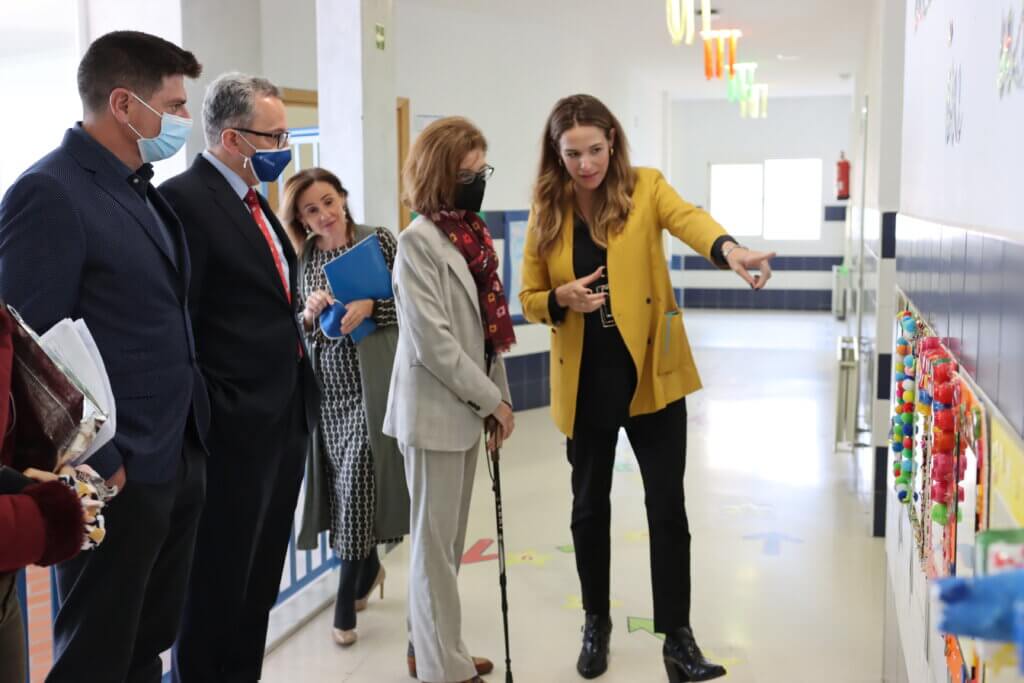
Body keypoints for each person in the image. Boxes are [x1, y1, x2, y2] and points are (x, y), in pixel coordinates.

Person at [519, 94, 775, 683]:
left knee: (667, 506)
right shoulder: (548, 208)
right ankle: (596, 621)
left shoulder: (644, 186)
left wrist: (729, 250)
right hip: (585, 380)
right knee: (589, 508)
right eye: (573, 154)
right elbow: (529, 296)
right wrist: (560, 299)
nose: (587, 165)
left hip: (651, 376)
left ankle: (678, 639)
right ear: (556, 155)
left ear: (612, 140)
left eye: (595, 150)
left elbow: (690, 219)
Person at [0, 31, 209, 683]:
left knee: (145, 642)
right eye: (174, 107)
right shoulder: (50, 193)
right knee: (97, 652)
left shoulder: (140, 188)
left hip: (171, 456)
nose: (181, 121)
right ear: (124, 103)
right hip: (112, 476)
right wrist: (100, 463)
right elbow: (25, 350)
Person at [159, 72, 319, 682]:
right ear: (232, 137)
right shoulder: (184, 203)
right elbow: (179, 321)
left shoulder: (256, 206)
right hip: (230, 430)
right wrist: (214, 407)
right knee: (215, 587)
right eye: (274, 135)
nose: (285, 146)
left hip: (282, 421)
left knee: (256, 585)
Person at [383, 117, 515, 683]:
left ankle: (435, 649)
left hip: (465, 410)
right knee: (434, 552)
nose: (477, 182)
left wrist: (496, 402)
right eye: (466, 174)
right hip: (434, 413)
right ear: (439, 175)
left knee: (448, 547)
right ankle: (444, 670)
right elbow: (435, 343)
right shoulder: (417, 243)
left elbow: (485, 334)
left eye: (482, 171)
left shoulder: (472, 237)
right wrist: (492, 402)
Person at [284, 167, 409, 647]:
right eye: (311, 211)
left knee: (358, 476)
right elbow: (302, 323)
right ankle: (369, 568)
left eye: (329, 202)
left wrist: (370, 308)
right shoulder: (306, 258)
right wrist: (311, 313)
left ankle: (343, 606)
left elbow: (412, 304)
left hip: (374, 385)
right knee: (343, 489)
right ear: (301, 219)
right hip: (329, 393)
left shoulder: (379, 241)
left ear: (344, 199)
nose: (324, 215)